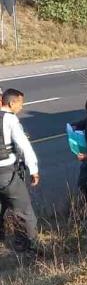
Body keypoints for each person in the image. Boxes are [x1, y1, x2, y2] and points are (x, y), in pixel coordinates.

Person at [0, 88, 40, 251]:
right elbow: (24, 145)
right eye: (20, 103)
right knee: (24, 212)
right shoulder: (10, 119)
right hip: (7, 173)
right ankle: (30, 248)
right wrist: (33, 169)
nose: (22, 108)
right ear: (12, 103)